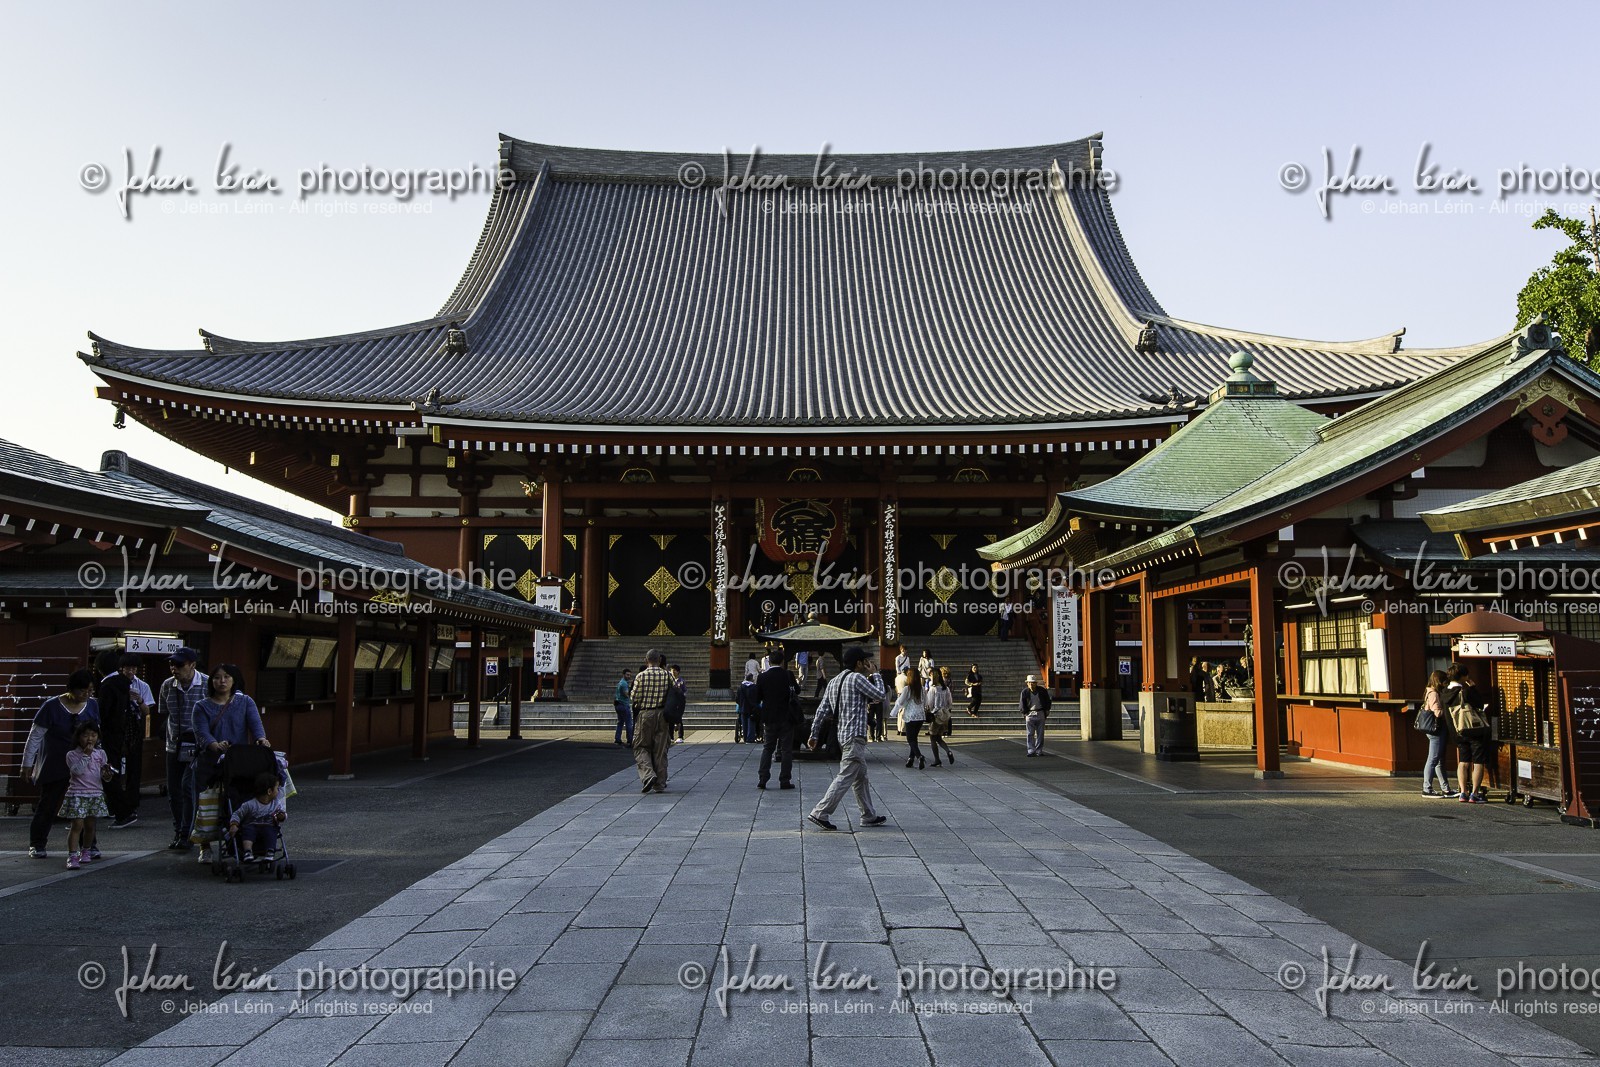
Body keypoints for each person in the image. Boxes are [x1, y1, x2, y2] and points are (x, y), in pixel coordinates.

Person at [193, 663, 269, 864]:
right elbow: (202, 732)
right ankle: (205, 846)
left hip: (240, 762)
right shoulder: (201, 706)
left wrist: (262, 739)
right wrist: (214, 744)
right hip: (210, 763)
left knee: (240, 801)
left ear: (234, 680)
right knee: (206, 804)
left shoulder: (245, 702)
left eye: (226, 677)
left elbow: (256, 725)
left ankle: (243, 841)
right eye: (217, 677)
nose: (222, 681)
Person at [21, 669, 101, 860]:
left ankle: (89, 846)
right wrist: (27, 763)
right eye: (83, 691)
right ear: (71, 689)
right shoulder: (51, 706)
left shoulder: (92, 705)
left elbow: (97, 733)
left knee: (84, 804)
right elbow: (35, 736)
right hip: (55, 762)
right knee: (48, 803)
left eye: (90, 691)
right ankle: (37, 843)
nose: (87, 695)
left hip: (83, 764)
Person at [806, 646, 888, 831]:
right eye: (864, 661)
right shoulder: (857, 678)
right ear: (858, 663)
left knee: (861, 777)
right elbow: (880, 695)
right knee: (845, 776)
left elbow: (822, 710)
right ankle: (820, 812)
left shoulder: (834, 681)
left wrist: (814, 734)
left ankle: (868, 815)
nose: (867, 663)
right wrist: (875, 674)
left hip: (843, 736)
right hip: (855, 736)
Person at [158, 647, 207, 852]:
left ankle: (187, 832)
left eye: (179, 665)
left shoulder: (206, 684)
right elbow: (163, 713)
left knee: (189, 788)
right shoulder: (167, 686)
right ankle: (179, 830)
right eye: (172, 664)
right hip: (174, 744)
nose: (174, 669)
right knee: (174, 790)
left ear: (192, 665)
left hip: (199, 746)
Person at [97, 654, 145, 828]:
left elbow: (103, 714)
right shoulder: (125, 685)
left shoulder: (108, 686)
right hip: (126, 736)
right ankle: (126, 808)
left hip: (110, 736)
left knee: (108, 774)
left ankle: (122, 811)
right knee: (120, 773)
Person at [60, 720, 115, 870]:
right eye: (85, 735)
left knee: (90, 825)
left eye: (93, 735)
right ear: (78, 737)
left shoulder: (101, 753)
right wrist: (86, 755)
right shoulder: (72, 755)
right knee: (77, 824)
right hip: (77, 793)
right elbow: (77, 771)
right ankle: (72, 855)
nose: (90, 739)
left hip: (95, 793)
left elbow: (105, 777)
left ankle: (86, 850)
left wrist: (107, 774)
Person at [1448, 664, 1493, 804]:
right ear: (1462, 676)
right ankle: (1474, 793)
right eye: (1466, 675)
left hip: (1458, 731)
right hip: (1473, 730)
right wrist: (1473, 687)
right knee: (1478, 761)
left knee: (1463, 762)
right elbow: (1479, 704)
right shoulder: (1465, 692)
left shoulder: (1445, 693)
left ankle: (1462, 792)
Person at [756, 649, 799, 790]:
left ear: (769, 661)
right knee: (786, 749)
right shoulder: (788, 675)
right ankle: (784, 780)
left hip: (769, 717)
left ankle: (763, 778)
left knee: (768, 748)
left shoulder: (762, 677)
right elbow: (796, 690)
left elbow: (757, 697)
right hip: (786, 717)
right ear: (782, 661)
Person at [630, 650, 672, 793]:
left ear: (645, 660)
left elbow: (633, 697)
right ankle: (660, 783)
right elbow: (675, 692)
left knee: (641, 746)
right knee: (660, 750)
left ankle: (648, 775)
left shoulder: (641, 676)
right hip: (663, 714)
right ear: (659, 660)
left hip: (646, 713)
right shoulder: (667, 675)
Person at [228, 772, 287, 863]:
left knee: (271, 831)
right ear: (269, 791)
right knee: (248, 830)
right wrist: (234, 824)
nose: (278, 791)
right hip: (252, 825)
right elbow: (237, 814)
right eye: (277, 788)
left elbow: (282, 813)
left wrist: (281, 816)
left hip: (268, 825)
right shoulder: (250, 804)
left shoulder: (276, 804)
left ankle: (270, 850)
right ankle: (248, 851)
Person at [1418, 670, 1457, 798]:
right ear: (1439, 681)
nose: (1446, 684)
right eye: (1444, 681)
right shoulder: (1434, 693)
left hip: (1436, 730)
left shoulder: (1429, 691)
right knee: (1433, 759)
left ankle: (1445, 788)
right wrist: (1446, 709)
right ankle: (1427, 788)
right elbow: (1437, 712)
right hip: (1436, 730)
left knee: (1439, 760)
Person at [894, 667, 928, 769]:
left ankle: (919, 756)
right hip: (920, 716)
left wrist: (894, 711)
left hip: (910, 716)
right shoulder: (922, 689)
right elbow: (926, 702)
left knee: (910, 739)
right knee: (914, 738)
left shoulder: (907, 689)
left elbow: (900, 702)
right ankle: (911, 759)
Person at [926, 672, 955, 767]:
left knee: (933, 738)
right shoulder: (946, 689)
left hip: (936, 715)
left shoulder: (933, 689)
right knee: (939, 737)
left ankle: (937, 759)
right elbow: (950, 702)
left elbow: (930, 703)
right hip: (945, 715)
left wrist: (929, 711)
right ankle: (948, 751)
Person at [1021, 674, 1052, 756]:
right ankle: (1031, 750)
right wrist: (1025, 713)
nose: (1031, 684)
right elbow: (1022, 704)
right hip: (1030, 713)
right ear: (1027, 683)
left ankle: (1039, 750)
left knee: (1040, 733)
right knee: (1030, 733)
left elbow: (1047, 701)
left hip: (1040, 712)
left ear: (1036, 683)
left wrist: (1047, 710)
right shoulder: (1025, 692)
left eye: (1033, 683)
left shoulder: (1042, 691)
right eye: (1030, 683)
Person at [665, 664, 688, 743]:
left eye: (674, 670)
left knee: (679, 719)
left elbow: (684, 692)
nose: (673, 672)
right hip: (671, 702)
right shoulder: (670, 680)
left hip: (679, 702)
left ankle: (680, 736)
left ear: (678, 672)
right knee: (670, 719)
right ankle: (670, 736)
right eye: (672, 670)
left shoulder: (681, 681)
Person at [735, 671, 758, 742]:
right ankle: (750, 738)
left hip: (743, 707)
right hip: (752, 708)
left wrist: (740, 704)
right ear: (752, 679)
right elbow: (757, 697)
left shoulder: (740, 687)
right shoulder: (754, 687)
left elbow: (737, 699)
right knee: (751, 723)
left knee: (744, 723)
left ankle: (745, 738)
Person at [613, 669, 634, 747]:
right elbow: (626, 694)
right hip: (624, 704)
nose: (629, 676)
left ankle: (617, 738)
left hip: (618, 704)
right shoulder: (624, 684)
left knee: (620, 722)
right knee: (628, 723)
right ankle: (630, 739)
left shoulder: (620, 683)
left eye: (629, 675)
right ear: (623, 674)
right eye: (627, 675)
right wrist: (632, 691)